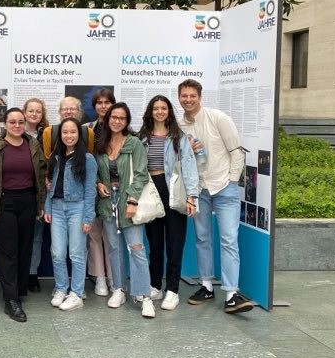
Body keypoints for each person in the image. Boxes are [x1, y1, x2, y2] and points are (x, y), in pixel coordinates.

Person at [178, 79, 254, 314]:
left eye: (192, 95)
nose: (188, 99)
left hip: (224, 188)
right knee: (202, 238)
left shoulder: (218, 118)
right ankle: (207, 286)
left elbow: (237, 152)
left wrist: (231, 180)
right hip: (198, 189)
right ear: (179, 97)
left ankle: (231, 293)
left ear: (200, 97)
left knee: (229, 239)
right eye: (184, 95)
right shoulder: (179, 125)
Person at [0, 108, 46, 323]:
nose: (17, 126)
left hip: (28, 202)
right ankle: (10, 300)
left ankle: (18, 291)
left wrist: (41, 204)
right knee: (7, 252)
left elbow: (42, 174)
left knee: (24, 249)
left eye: (20, 122)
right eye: (12, 122)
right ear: (4, 124)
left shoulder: (33, 145)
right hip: (4, 203)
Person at [137, 95, 199, 311]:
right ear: (150, 112)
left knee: (174, 244)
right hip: (150, 190)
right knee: (154, 244)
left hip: (173, 191)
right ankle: (155, 285)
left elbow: (190, 166)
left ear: (169, 111)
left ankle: (172, 290)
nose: (160, 111)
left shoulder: (178, 137)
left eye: (164, 108)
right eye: (156, 108)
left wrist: (192, 196)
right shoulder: (142, 136)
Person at [95, 102, 156, 318]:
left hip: (128, 199)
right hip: (107, 201)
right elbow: (95, 169)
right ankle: (119, 289)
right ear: (108, 118)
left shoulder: (134, 143)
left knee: (136, 248)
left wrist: (132, 201)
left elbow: (140, 174)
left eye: (121, 118)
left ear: (127, 121)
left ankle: (144, 296)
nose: (117, 121)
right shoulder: (100, 143)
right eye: (113, 117)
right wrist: (97, 183)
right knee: (114, 247)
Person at [43, 118, 97, 311]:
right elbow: (50, 185)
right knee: (57, 253)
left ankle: (76, 293)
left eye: (73, 132)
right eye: (65, 132)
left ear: (79, 135)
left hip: (77, 208)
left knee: (76, 253)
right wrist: (48, 208)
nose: (69, 136)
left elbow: (91, 190)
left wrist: (88, 217)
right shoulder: (55, 157)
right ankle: (61, 288)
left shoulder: (87, 159)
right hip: (57, 208)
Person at [83, 88, 116, 297]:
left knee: (111, 236)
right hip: (90, 187)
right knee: (94, 234)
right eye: (100, 103)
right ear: (94, 106)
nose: (103, 106)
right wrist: (94, 183)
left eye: (107, 102)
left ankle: (115, 279)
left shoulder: (120, 127)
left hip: (113, 187)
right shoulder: (87, 130)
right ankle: (100, 279)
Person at [22, 97, 49, 292]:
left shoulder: (47, 135)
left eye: (38, 111)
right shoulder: (14, 133)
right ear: (24, 112)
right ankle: (19, 273)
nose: (34, 114)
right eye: (30, 110)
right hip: (20, 191)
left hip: (41, 191)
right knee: (19, 236)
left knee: (37, 236)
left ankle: (32, 274)